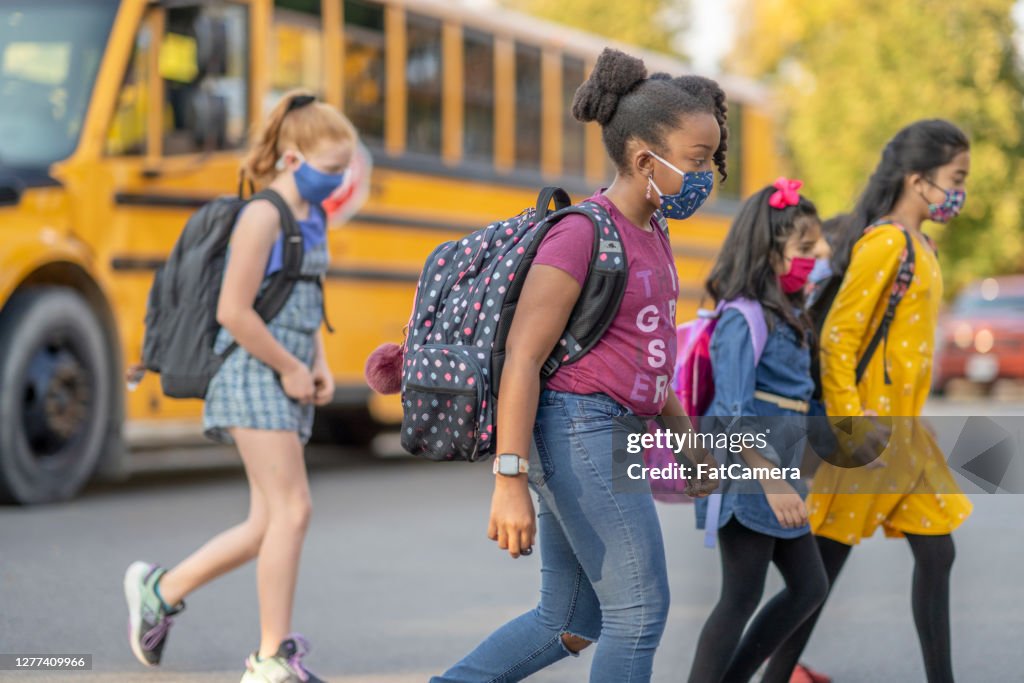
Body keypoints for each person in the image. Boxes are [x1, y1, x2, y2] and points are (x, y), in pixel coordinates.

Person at [430, 47, 727, 683]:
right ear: (647, 161)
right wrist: (508, 480)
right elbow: (523, 359)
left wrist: (685, 437)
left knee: (569, 619)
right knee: (640, 612)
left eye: (713, 161)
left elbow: (648, 357)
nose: (709, 177)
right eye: (699, 161)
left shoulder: (653, 232)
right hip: (578, 430)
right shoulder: (582, 234)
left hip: (610, 431)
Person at [123, 90, 356, 683]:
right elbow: (234, 311)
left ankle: (161, 589)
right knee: (294, 509)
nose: (339, 181)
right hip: (252, 372)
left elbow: (302, 297)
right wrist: (288, 366)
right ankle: (270, 656)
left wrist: (318, 360)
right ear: (293, 160)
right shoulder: (262, 217)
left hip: (283, 373)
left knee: (266, 523)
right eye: (331, 170)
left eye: (344, 169)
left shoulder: (313, 215)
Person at [768, 119, 974, 683]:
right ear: (917, 179)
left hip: (906, 438)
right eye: (955, 177)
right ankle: (775, 674)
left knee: (937, 554)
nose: (960, 190)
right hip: (866, 439)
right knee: (819, 576)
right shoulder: (886, 244)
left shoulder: (920, 245)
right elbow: (838, 338)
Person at [686, 179, 829, 683]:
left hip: (779, 470)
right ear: (770, 253)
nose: (821, 255)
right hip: (749, 477)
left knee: (808, 587)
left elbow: (802, 398)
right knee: (741, 597)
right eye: (806, 249)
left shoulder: (791, 316)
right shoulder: (741, 318)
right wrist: (771, 479)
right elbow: (732, 409)